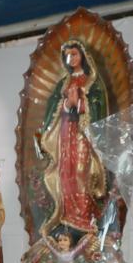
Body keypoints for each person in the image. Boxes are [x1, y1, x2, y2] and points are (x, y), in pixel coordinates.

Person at [33, 41, 109, 241]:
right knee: (65, 173)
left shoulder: (93, 81)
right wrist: (67, 104)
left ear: (82, 55)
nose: (71, 58)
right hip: (65, 133)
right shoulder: (63, 83)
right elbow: (52, 110)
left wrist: (82, 102)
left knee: (81, 172)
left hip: (83, 134)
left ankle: (85, 218)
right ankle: (67, 217)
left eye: (74, 54)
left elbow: (99, 107)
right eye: (67, 55)